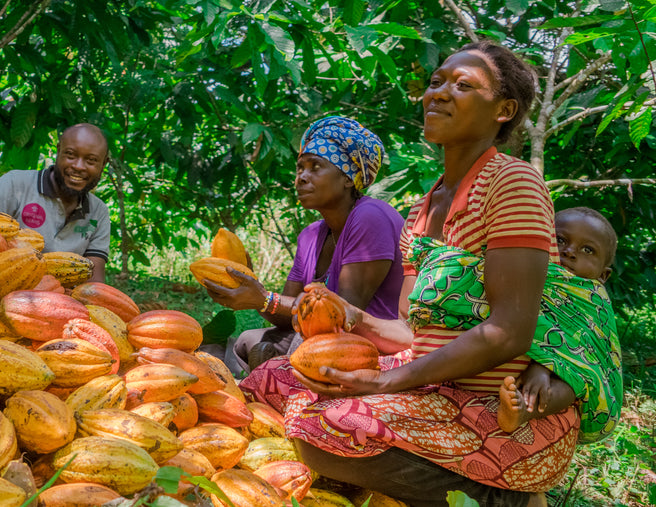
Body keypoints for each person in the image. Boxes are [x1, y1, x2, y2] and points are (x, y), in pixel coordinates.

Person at [240, 41, 622, 506]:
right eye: (437, 81)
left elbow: (509, 333)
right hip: (430, 387)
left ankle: (505, 497)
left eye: (462, 85)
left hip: (499, 415)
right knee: (271, 378)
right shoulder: (425, 208)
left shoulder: (514, 184)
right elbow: (410, 333)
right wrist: (352, 317)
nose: (438, 93)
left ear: (503, 110)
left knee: (325, 427)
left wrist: (383, 383)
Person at [204, 116, 405, 370]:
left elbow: (341, 314)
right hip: (320, 336)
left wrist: (265, 298)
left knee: (291, 346)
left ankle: (278, 369)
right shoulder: (310, 235)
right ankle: (278, 367)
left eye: (315, 167)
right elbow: (286, 317)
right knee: (248, 339)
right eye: (300, 168)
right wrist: (253, 289)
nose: (301, 178)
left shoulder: (371, 217)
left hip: (365, 342)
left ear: (348, 178)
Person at [499, 207, 621, 435]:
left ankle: (525, 411)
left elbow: (586, 345)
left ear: (603, 276)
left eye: (588, 249)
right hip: (509, 363)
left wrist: (544, 366)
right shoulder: (528, 272)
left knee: (576, 384)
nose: (570, 251)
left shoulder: (593, 301)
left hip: (564, 373)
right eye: (560, 239)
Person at [0, 123, 110, 284]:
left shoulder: (99, 212)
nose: (78, 166)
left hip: (62, 301)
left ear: (104, 164)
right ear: (58, 150)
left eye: (91, 160)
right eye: (70, 155)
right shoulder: (14, 185)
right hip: (3, 288)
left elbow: (94, 283)